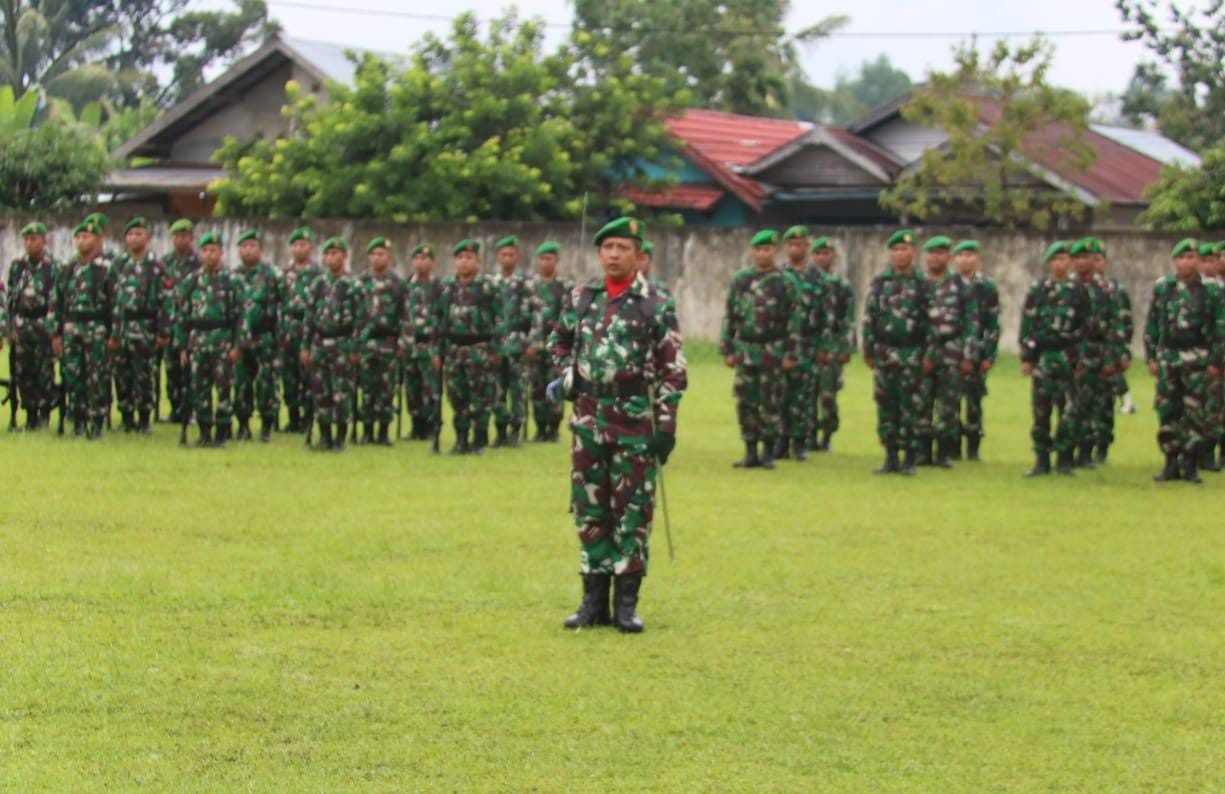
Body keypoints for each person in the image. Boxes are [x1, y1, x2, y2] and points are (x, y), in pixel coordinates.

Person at [547, 216, 687, 633]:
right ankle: (592, 602)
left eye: (622, 248)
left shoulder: (654, 303)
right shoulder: (582, 298)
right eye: (607, 247)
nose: (613, 255)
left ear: (638, 255)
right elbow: (559, 341)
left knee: (632, 512)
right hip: (588, 420)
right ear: (598, 253)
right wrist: (566, 374)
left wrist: (666, 425)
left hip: (635, 423)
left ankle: (626, 604)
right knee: (590, 510)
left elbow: (673, 370)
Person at [1144, 239, 1225, 484]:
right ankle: (1170, 461)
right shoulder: (1164, 287)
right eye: (1181, 257)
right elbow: (1152, 323)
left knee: (1195, 412)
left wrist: (1216, 360)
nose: (1186, 262)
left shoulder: (1211, 290)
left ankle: (1190, 462)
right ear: (1174, 261)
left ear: (1198, 261)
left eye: (1191, 257)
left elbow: (1219, 327)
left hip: (1197, 356)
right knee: (1168, 409)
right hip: (1169, 356)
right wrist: (1151, 356)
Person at [719, 229, 800, 470]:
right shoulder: (741, 280)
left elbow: (794, 320)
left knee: (771, 401)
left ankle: (768, 452)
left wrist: (790, 353)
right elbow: (730, 315)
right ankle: (750, 450)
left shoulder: (786, 282)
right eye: (758, 249)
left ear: (775, 251)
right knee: (746, 401)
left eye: (767, 249)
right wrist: (727, 348)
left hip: (772, 349)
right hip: (746, 348)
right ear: (753, 252)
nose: (763, 254)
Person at [863, 229, 930, 475]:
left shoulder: (923, 284)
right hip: (885, 352)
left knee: (911, 406)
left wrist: (929, 354)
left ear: (913, 252)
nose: (900, 254)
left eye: (905, 249)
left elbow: (931, 322)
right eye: (896, 249)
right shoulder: (881, 283)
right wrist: (868, 348)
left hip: (912, 352)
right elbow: (870, 317)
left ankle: (910, 457)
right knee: (886, 405)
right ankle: (890, 456)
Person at [1018, 242, 1088, 477]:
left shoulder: (1079, 291)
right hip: (1043, 357)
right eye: (1055, 260)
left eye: (1063, 259)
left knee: (1069, 410)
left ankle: (1065, 459)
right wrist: (1027, 357)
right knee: (1041, 410)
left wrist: (1081, 359)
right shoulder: (1038, 290)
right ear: (1049, 263)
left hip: (1068, 357)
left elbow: (1085, 326)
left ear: (1070, 262)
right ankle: (1041, 459)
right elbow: (1027, 324)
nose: (1059, 264)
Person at [50, 216, 118, 439]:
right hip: (71, 328)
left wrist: (114, 334)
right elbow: (56, 302)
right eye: (78, 237)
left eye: (86, 236)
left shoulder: (107, 269)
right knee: (73, 375)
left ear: (97, 240)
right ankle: (77, 421)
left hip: (96, 329)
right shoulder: (66, 268)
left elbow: (116, 304)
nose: (81, 241)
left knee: (97, 376)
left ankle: (97, 421)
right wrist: (55, 334)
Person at [175, 232, 242, 448]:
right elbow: (182, 315)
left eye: (213, 250)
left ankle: (222, 432)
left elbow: (240, 316)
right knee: (199, 388)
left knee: (223, 388)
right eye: (205, 251)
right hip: (198, 341)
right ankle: (204, 432)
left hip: (222, 340)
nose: (209, 255)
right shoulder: (191, 281)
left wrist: (237, 345)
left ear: (221, 252)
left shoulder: (232, 280)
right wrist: (182, 346)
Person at [436, 239, 503, 455]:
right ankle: (461, 439)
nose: (463, 262)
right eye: (460, 258)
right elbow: (438, 320)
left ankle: (479, 439)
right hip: (454, 350)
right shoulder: (446, 287)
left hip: (479, 349)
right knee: (457, 397)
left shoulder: (487, 287)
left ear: (478, 262)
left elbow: (500, 319)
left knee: (481, 397)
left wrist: (497, 349)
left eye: (469, 258)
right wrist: (436, 351)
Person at [919, 235, 978, 468]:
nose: (935, 258)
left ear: (948, 257)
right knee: (922, 402)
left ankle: (943, 453)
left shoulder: (961, 286)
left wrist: (968, 355)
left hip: (951, 353)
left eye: (941, 253)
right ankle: (922, 451)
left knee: (948, 405)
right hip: (922, 353)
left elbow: (971, 323)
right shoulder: (919, 284)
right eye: (932, 253)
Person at [110, 217, 171, 434]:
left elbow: (166, 300)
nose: (134, 238)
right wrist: (112, 330)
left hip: (145, 327)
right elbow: (111, 298)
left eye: (138, 234)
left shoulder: (156, 267)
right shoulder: (118, 265)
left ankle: (144, 418)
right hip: (122, 327)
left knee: (144, 375)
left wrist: (163, 331)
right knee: (122, 375)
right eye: (130, 234)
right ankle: (126, 417)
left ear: (147, 237)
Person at [301, 238, 360, 451]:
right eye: (328, 254)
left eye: (336, 253)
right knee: (320, 391)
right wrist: (305, 346)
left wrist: (355, 347)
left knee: (341, 392)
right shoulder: (318, 284)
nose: (331, 258)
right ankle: (324, 436)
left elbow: (361, 319)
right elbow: (309, 317)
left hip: (342, 344)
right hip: (320, 344)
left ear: (344, 256)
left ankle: (340, 438)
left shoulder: (353, 285)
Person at [1069, 238, 1121, 468]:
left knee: (1095, 405)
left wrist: (1111, 358)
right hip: (1071, 355)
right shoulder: (1067, 288)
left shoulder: (1107, 290)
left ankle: (1088, 451)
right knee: (1071, 405)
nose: (1083, 262)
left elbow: (1115, 326)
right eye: (1078, 257)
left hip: (1098, 354)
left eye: (1088, 257)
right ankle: (1066, 451)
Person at [776, 225, 824, 462]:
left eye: (799, 244)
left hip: (808, 343)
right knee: (780, 394)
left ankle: (800, 442)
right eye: (791, 244)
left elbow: (827, 314)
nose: (795, 248)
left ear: (807, 247)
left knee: (803, 396)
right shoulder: (778, 277)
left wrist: (824, 346)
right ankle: (781, 441)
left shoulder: (817, 278)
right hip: (782, 344)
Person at [356, 237, 407, 446]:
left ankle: (383, 431)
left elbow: (405, 315)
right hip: (366, 342)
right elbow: (355, 315)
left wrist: (403, 342)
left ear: (389, 257)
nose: (377, 258)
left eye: (382, 254)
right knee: (367, 388)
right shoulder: (360, 282)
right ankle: (367, 430)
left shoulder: (397, 283)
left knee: (386, 389)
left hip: (388, 342)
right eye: (374, 254)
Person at [6, 222, 58, 429]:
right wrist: (10, 328)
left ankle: (44, 413)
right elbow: (11, 298)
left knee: (43, 371)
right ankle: (30, 413)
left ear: (44, 241)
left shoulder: (52, 267)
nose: (29, 243)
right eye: (26, 239)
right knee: (23, 372)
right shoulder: (17, 266)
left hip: (42, 322)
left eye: (33, 239)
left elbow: (56, 299)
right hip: (21, 324)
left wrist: (53, 330)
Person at [233, 230, 283, 442]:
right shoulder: (232, 276)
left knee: (266, 383)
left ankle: (266, 427)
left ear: (261, 250)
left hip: (265, 338)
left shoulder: (272, 275)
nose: (248, 250)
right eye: (244, 247)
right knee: (241, 382)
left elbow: (284, 304)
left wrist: (280, 335)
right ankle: (243, 425)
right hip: (240, 341)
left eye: (252, 246)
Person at [954, 240, 1000, 461]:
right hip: (952, 353)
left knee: (974, 402)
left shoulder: (986, 287)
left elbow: (993, 323)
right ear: (955, 259)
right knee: (950, 401)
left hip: (977, 354)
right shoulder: (949, 285)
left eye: (970, 255)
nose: (966, 260)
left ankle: (973, 448)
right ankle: (951, 447)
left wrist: (989, 355)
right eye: (962, 255)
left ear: (978, 259)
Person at [810, 236, 854, 452]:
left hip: (832, 348)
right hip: (808, 347)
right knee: (807, 395)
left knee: (828, 395)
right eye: (818, 254)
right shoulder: (806, 283)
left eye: (826, 253)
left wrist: (846, 348)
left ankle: (827, 436)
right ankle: (808, 437)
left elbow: (848, 318)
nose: (822, 258)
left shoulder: (841, 285)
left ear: (833, 256)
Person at [1090, 239, 1133, 464]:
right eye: (1089, 259)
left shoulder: (1115, 290)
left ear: (1105, 263)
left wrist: (1121, 352)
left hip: (1108, 354)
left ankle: (1102, 448)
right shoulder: (1077, 288)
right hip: (1083, 355)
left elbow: (1124, 324)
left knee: (1105, 403)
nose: (1093, 263)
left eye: (1097, 259)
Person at [526, 241, 572, 442]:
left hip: (557, 345)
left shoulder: (565, 286)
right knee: (536, 387)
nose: (545, 262)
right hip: (535, 345)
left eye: (549, 258)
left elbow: (569, 317)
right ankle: (540, 428)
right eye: (542, 258)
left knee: (556, 384)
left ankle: (553, 429)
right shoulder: (530, 287)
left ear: (556, 260)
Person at [490, 235, 531, 447]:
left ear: (517, 257)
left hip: (519, 343)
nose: (507, 258)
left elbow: (537, 314)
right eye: (504, 254)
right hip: (497, 345)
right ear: (498, 257)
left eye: (511, 254)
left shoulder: (526, 283)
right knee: (497, 389)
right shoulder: (491, 284)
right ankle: (500, 430)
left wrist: (533, 343)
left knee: (518, 391)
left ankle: (515, 430)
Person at [280, 227, 322, 433]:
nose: (299, 249)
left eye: (303, 245)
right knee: (288, 378)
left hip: (309, 331)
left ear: (310, 247)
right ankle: (293, 418)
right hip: (288, 331)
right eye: (296, 245)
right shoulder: (283, 274)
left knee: (309, 377)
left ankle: (308, 417)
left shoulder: (318, 275)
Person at [162, 219, 201, 425]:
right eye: (177, 236)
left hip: (191, 325)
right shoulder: (164, 263)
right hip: (169, 323)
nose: (180, 240)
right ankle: (175, 408)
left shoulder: (199, 263)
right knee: (171, 370)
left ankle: (190, 409)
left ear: (191, 238)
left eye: (185, 236)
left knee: (191, 370)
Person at [404, 243, 442, 441]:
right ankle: (416, 425)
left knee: (430, 387)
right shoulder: (405, 287)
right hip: (410, 345)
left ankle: (430, 425)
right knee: (412, 388)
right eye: (417, 258)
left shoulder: (439, 288)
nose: (421, 263)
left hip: (430, 345)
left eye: (425, 259)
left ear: (433, 263)